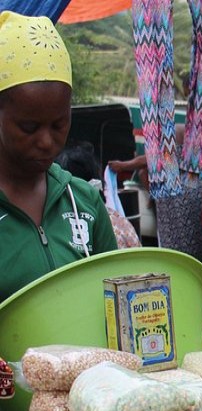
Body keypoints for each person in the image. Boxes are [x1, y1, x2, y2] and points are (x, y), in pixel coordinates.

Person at [0, 11, 117, 304]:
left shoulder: (83, 202)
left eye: (58, 124)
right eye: (29, 127)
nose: (46, 141)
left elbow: (117, 300)